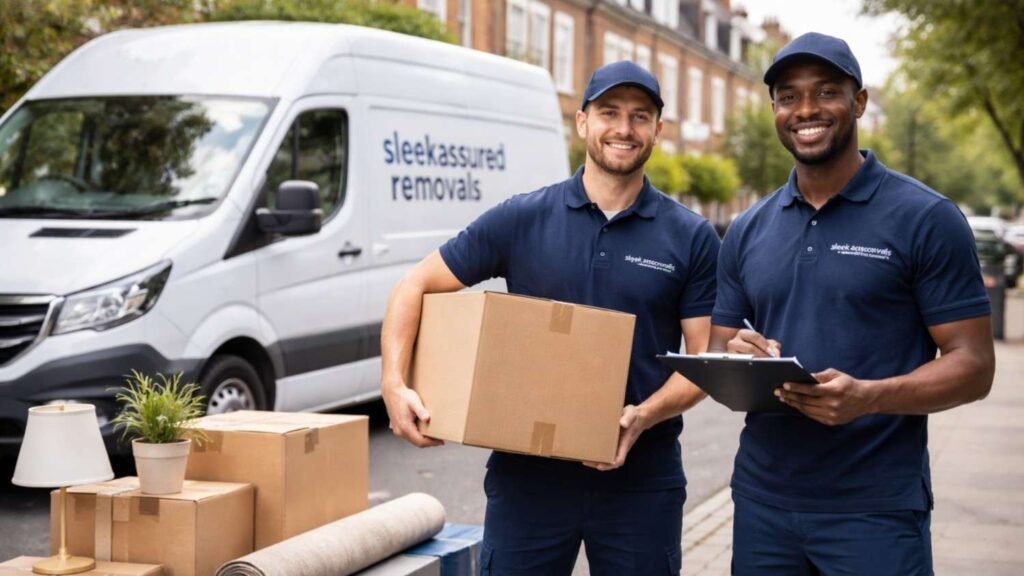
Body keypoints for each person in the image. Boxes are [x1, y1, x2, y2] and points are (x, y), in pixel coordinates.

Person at [380, 60, 720, 575]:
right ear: (582, 122)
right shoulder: (523, 217)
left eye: (640, 116)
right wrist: (393, 383)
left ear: (657, 131)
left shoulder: (689, 236)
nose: (624, 129)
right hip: (528, 480)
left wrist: (642, 416)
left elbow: (704, 357)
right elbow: (414, 285)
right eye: (609, 112)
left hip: (641, 478)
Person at [708, 32, 996, 575]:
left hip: (876, 510)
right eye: (788, 96)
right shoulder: (748, 229)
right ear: (775, 110)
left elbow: (975, 367)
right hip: (762, 505)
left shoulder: (926, 218)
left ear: (858, 101)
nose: (806, 109)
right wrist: (738, 353)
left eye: (826, 92)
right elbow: (718, 344)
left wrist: (871, 397)